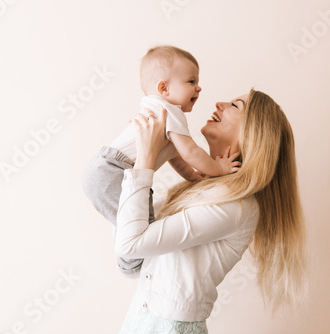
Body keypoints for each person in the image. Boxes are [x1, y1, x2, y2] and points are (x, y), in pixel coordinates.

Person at [82, 88, 309, 333]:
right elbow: (129, 261)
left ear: (253, 134)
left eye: (235, 106)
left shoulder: (235, 206)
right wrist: (138, 155)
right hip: (139, 321)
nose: (220, 103)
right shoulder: (197, 190)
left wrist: (146, 157)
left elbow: (131, 243)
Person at [82, 45, 238, 276]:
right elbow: (191, 152)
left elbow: (174, 157)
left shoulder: (158, 110)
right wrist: (219, 168)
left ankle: (133, 264)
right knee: (141, 225)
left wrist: (193, 177)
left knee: (129, 219)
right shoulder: (169, 111)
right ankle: (133, 267)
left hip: (104, 169)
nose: (199, 87)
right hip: (114, 170)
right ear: (163, 88)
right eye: (191, 81)